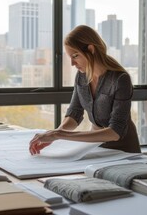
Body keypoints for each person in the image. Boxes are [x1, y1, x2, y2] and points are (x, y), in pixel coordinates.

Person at [29, 25, 141, 155]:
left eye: (75, 56)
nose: (72, 63)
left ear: (91, 49)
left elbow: (115, 132)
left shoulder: (121, 79)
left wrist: (58, 134)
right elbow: (74, 114)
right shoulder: (81, 76)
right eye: (70, 57)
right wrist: (53, 136)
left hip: (124, 152)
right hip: (96, 148)